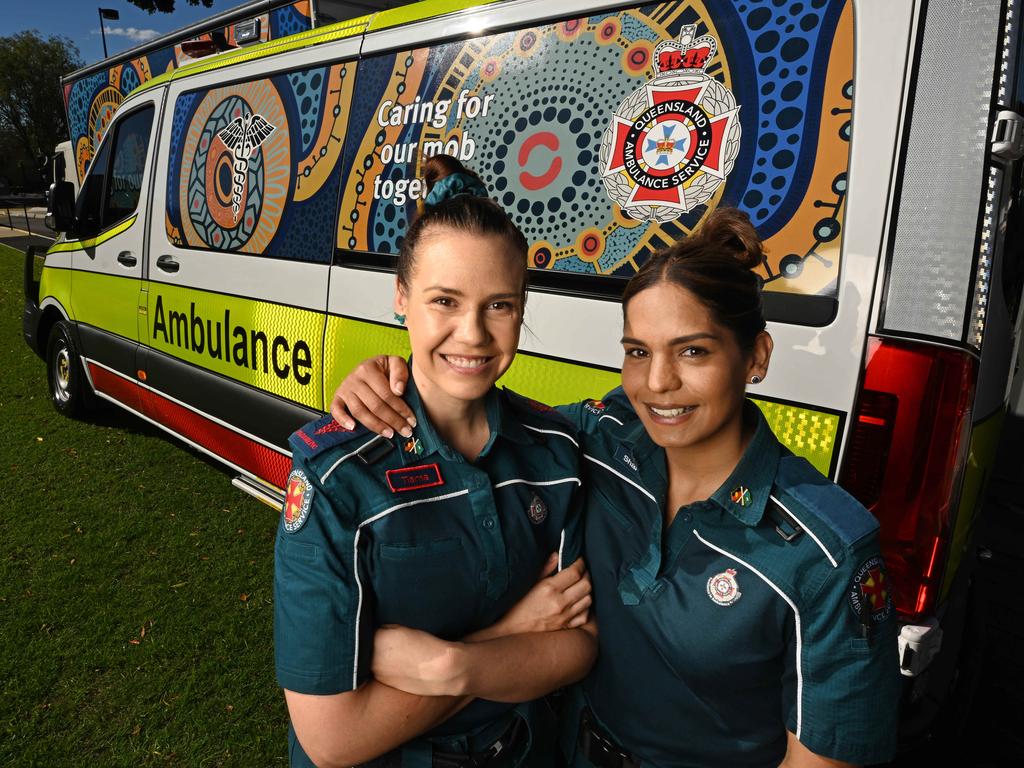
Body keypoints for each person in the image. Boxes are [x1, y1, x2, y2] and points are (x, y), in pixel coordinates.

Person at [328, 207, 902, 767]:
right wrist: (390, 376)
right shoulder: (602, 440)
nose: (658, 384)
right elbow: (479, 412)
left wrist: (455, 665)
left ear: (756, 355)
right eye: (637, 352)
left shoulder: (825, 556)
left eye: (693, 351)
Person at [274, 187, 598, 767]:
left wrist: (451, 665)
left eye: (499, 305)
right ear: (401, 297)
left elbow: (577, 648)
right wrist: (510, 637)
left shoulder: (555, 456)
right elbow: (333, 740)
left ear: (522, 309)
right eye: (444, 301)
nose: (473, 333)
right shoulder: (338, 479)